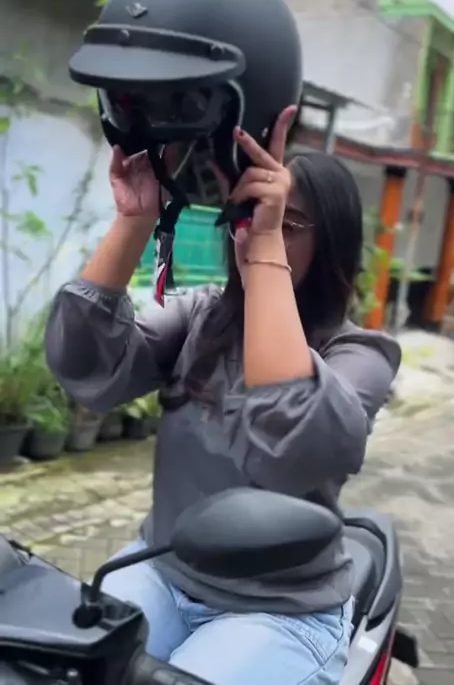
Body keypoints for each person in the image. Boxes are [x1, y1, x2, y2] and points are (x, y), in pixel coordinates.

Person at [45, 106, 401, 685]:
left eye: (286, 222)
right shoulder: (204, 317)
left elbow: (298, 446)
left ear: (332, 241)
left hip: (280, 608)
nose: (255, 230)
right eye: (249, 214)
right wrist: (135, 219)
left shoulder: (361, 354)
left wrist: (265, 257)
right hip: (162, 569)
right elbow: (87, 363)